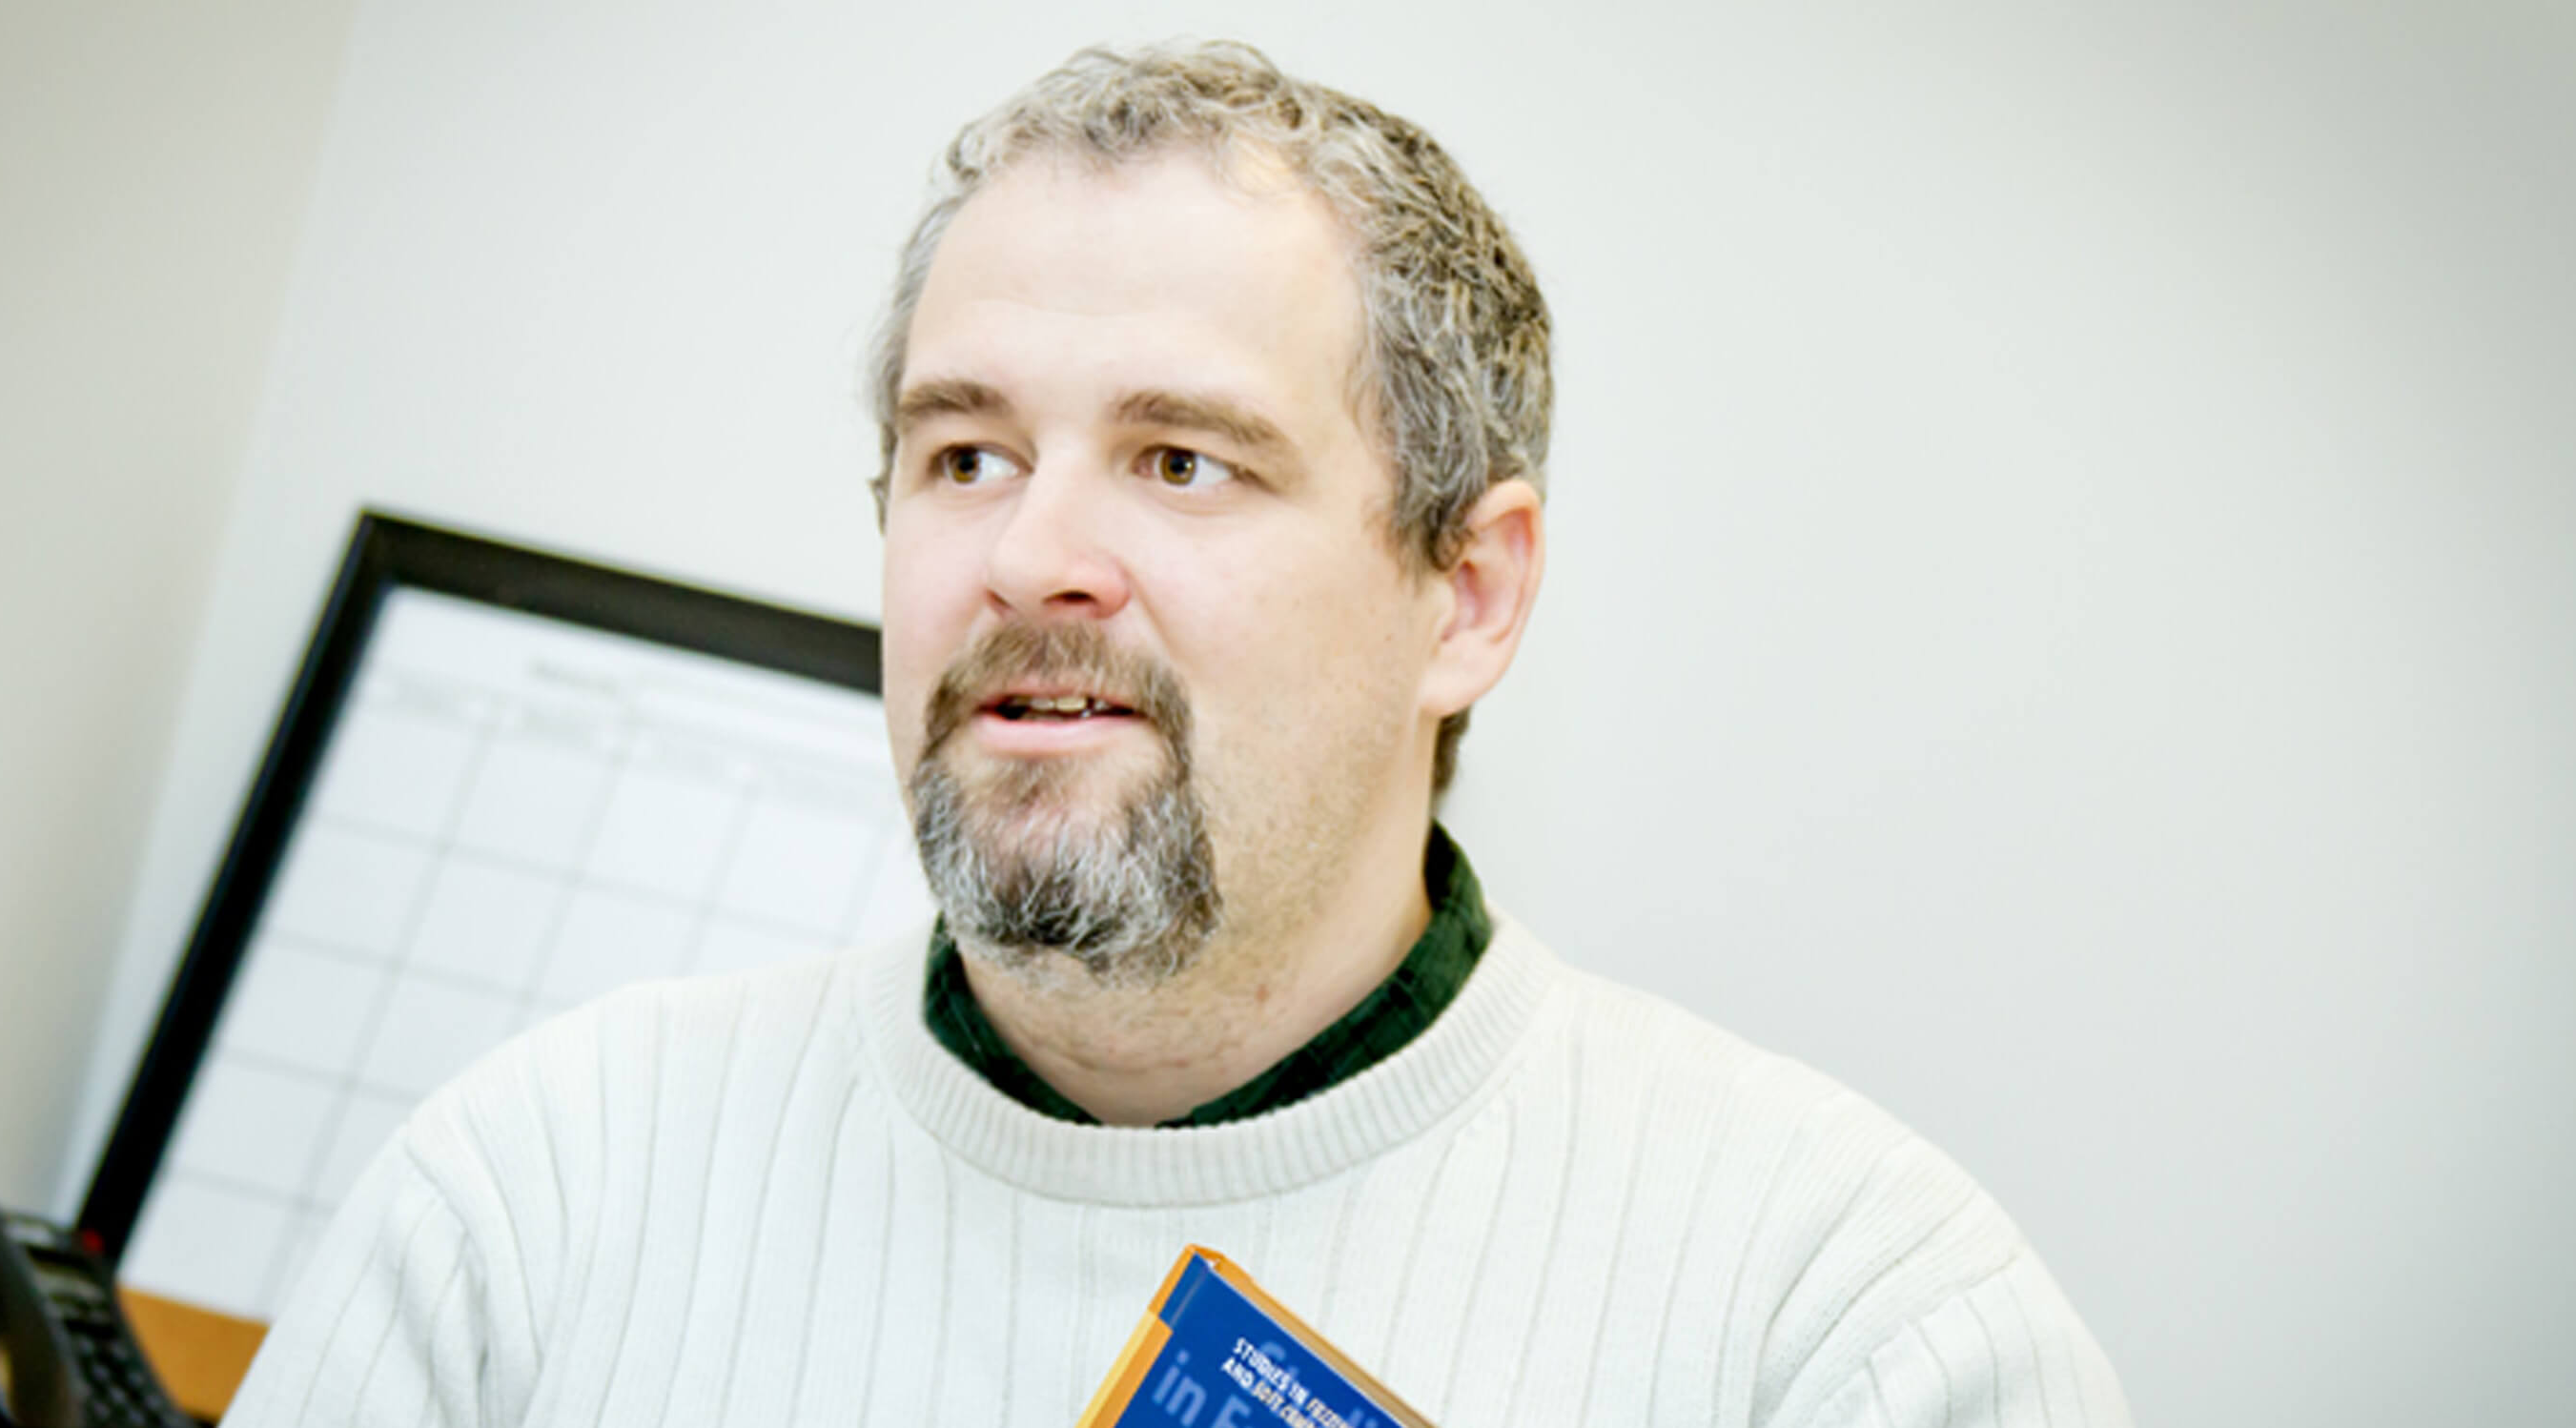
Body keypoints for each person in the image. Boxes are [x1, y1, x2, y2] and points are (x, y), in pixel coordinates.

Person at [224, 42, 2131, 1427]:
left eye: (1181, 459)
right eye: (963, 452)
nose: (1034, 554)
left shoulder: (1848, 1328)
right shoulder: (528, 1199)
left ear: (1465, 594)